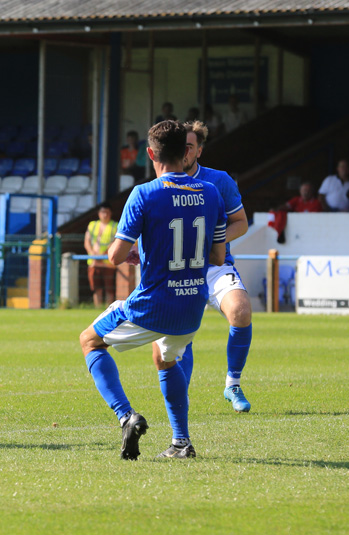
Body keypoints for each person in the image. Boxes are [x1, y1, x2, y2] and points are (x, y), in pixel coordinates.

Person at [78, 120, 227, 460]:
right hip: (191, 306)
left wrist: (134, 250)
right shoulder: (211, 192)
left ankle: (125, 415)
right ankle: (181, 443)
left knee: (89, 340)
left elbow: (114, 256)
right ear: (186, 152)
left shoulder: (144, 194)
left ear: (150, 154)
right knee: (165, 358)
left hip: (153, 304)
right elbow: (218, 255)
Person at [164, 120, 255, 414]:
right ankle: (182, 397)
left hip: (215, 265)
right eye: (181, 146)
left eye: (189, 146)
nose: (185, 152)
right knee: (182, 336)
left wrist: (213, 242)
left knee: (240, 312)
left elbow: (240, 222)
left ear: (199, 151)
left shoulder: (219, 181)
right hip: (178, 270)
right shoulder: (161, 184)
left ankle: (233, 383)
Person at [84, 203, 117, 308]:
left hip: (107, 263)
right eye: (103, 212)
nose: (105, 215)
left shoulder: (115, 226)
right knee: (96, 288)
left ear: (110, 213)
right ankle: (97, 308)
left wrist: (104, 254)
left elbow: (116, 241)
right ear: (99, 214)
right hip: (94, 262)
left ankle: (109, 308)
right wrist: (93, 254)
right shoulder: (92, 225)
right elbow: (87, 241)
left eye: (107, 212)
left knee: (109, 288)